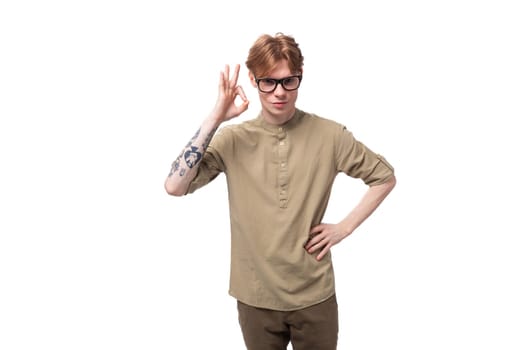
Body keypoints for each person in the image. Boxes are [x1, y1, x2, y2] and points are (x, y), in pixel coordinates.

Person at [164, 32, 396, 350]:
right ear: (253, 80)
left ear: (300, 78)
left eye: (289, 81)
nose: (279, 92)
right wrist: (216, 116)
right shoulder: (233, 139)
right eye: (268, 82)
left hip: (314, 295)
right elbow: (174, 186)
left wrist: (345, 227)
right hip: (254, 296)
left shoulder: (330, 135)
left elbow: (384, 177)